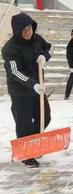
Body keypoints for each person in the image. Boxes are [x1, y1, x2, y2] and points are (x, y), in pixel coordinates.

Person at [2, 13, 52, 168]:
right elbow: (15, 72)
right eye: (24, 30)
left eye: (29, 28)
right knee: (24, 123)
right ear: (17, 31)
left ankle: (32, 143)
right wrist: (32, 84)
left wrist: (44, 56)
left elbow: (49, 48)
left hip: (37, 88)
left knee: (45, 117)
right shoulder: (10, 48)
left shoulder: (36, 39)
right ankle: (26, 155)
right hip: (20, 91)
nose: (28, 32)